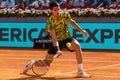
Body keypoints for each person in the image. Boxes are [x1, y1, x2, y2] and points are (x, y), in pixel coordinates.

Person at [22, 1, 90, 78]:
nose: (58, 11)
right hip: (56, 41)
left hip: (67, 38)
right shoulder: (50, 22)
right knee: (46, 63)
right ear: (51, 11)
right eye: (55, 10)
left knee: (77, 46)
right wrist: (57, 49)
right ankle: (32, 64)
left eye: (58, 9)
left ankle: (80, 71)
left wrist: (82, 30)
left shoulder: (65, 15)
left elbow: (72, 22)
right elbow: (54, 38)